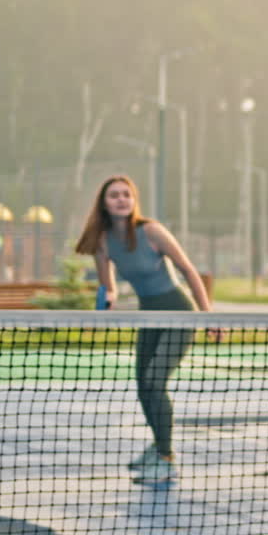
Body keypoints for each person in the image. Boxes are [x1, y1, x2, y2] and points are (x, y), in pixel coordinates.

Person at [74, 175, 222, 487]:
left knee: (155, 380)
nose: (121, 200)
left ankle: (167, 459)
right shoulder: (102, 241)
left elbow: (188, 270)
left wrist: (207, 316)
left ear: (134, 200)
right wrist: (106, 302)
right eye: (114, 195)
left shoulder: (151, 231)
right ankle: (158, 447)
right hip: (149, 316)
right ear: (103, 202)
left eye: (126, 195)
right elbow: (107, 285)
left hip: (180, 313)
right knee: (143, 384)